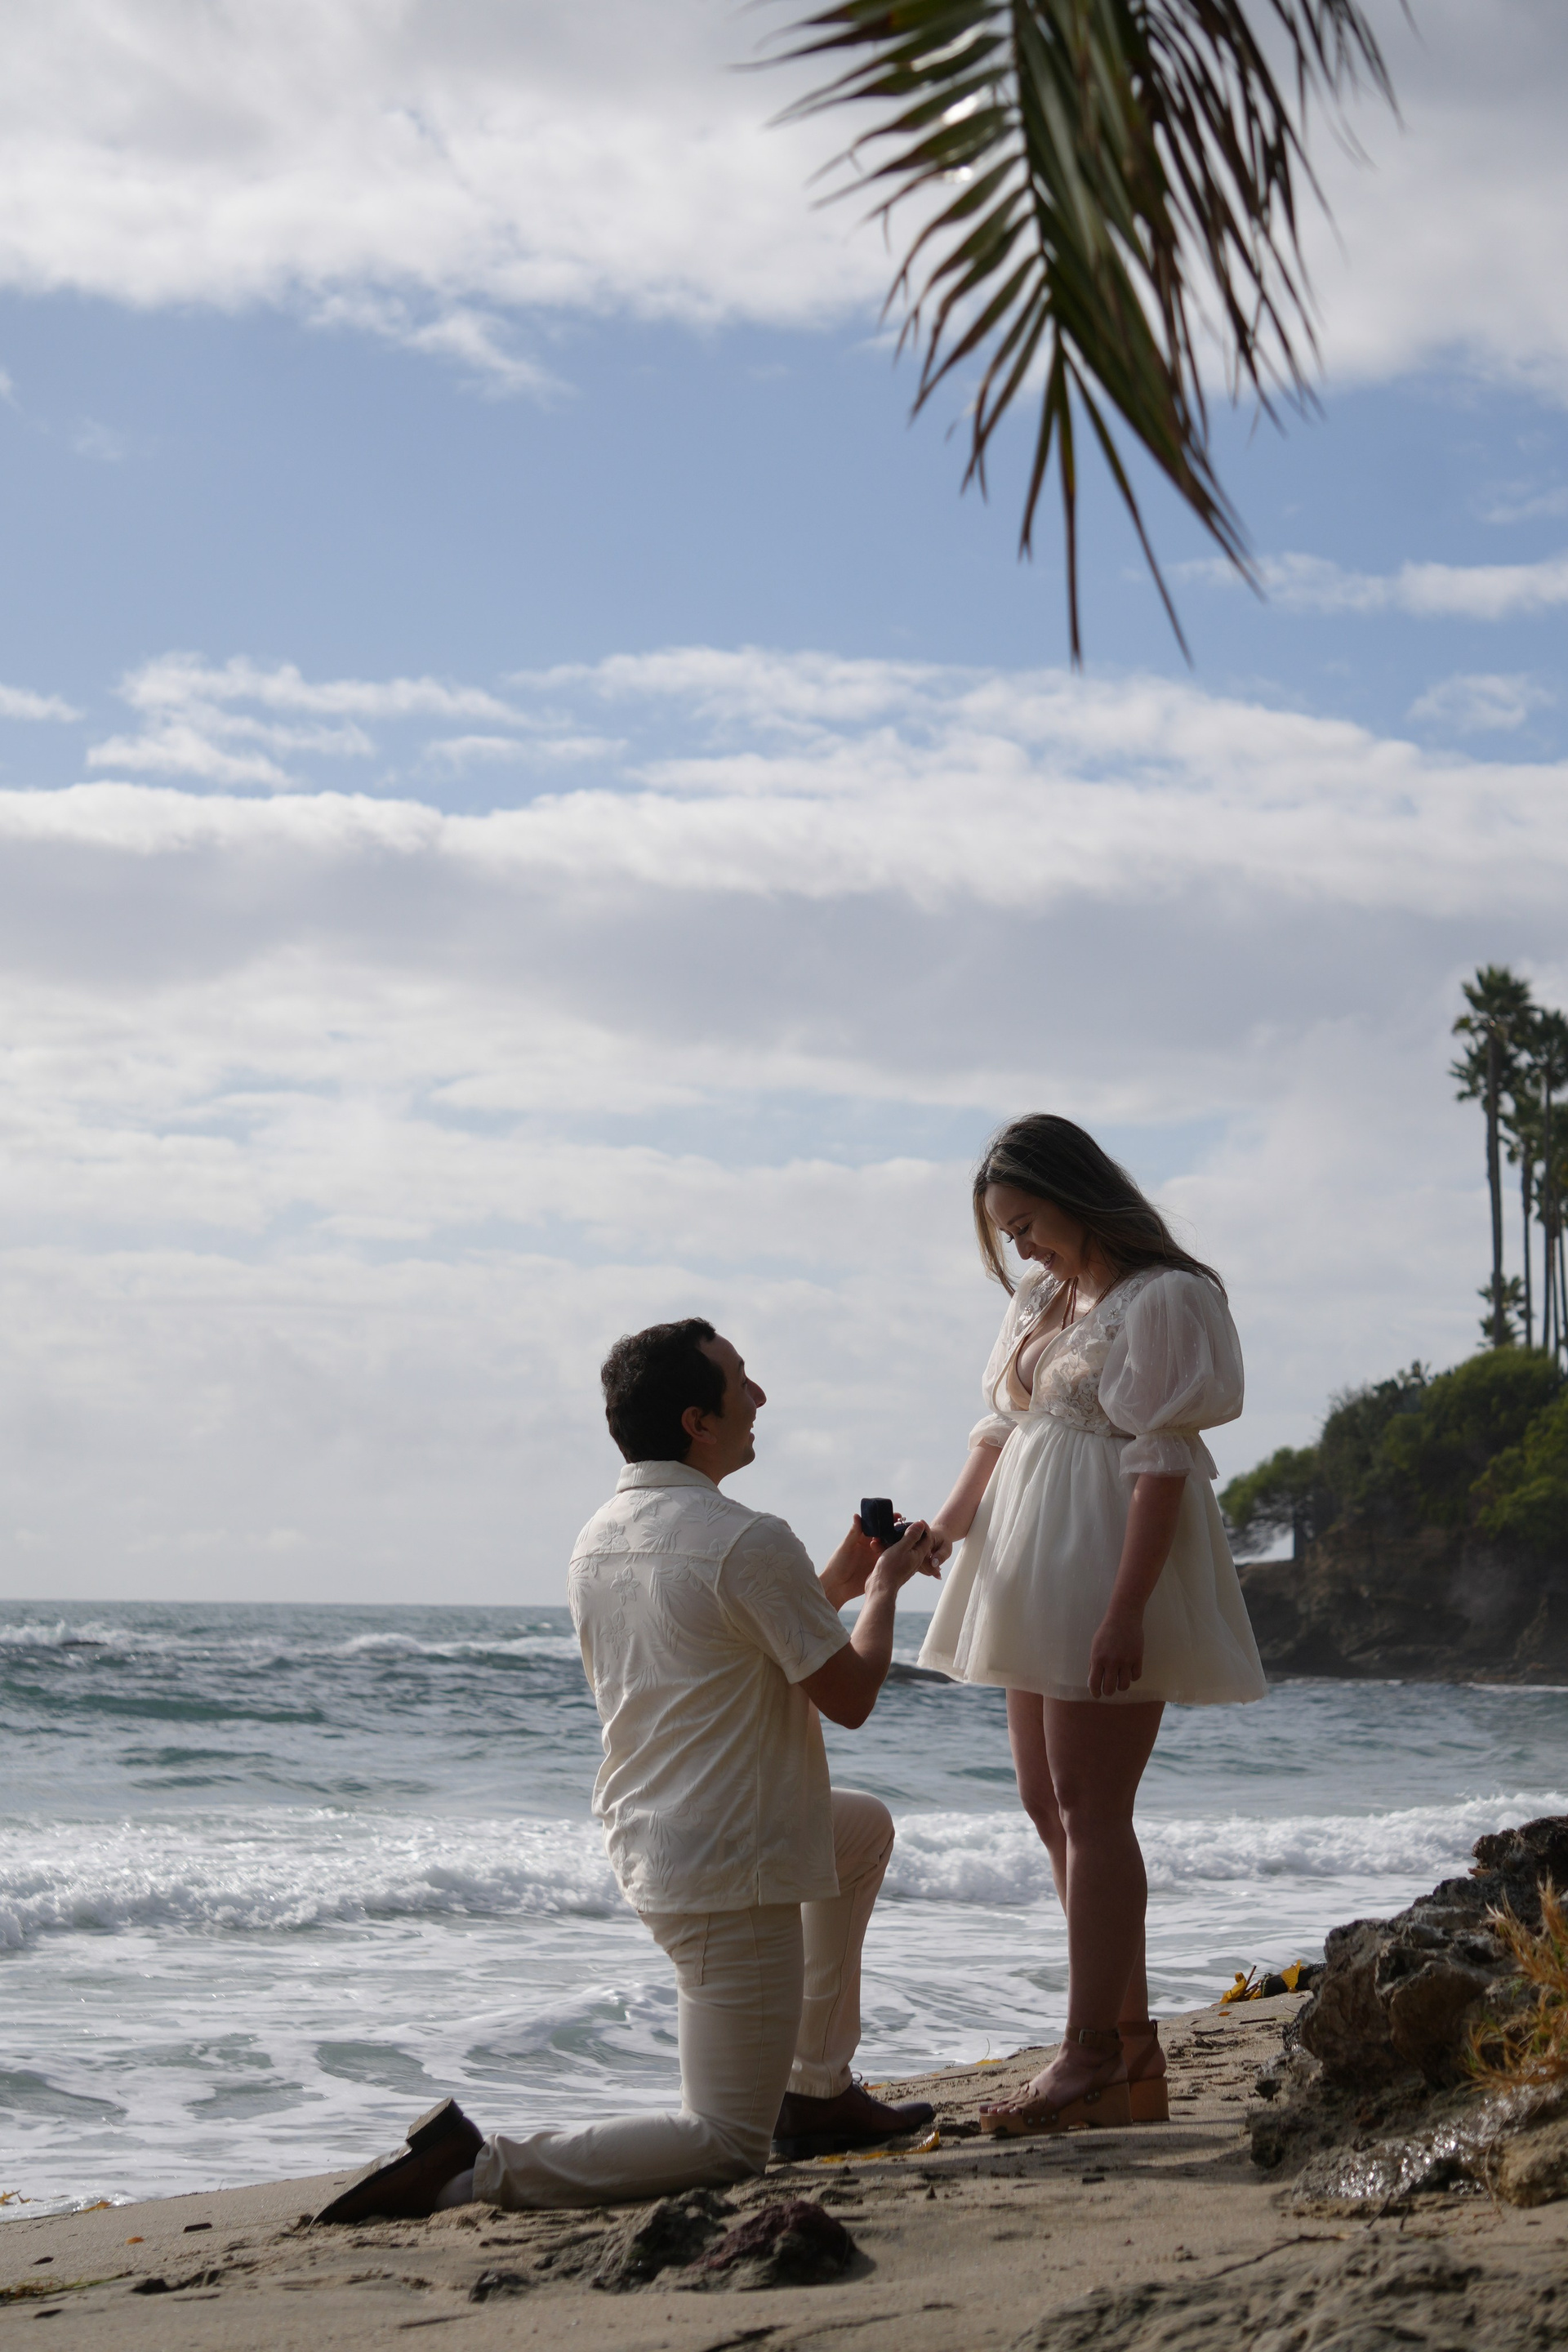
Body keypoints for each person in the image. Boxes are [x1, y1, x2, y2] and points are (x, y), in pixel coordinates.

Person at [317, 1317, 936, 2225]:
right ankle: (472, 2171)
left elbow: (725, 1646)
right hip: (733, 1862)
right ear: (697, 1421)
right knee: (725, 2142)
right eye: (741, 1381)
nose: (759, 1396)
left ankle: (814, 2089)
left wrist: (834, 1585)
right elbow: (848, 1696)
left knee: (861, 1830)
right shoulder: (748, 1538)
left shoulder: (599, 1536)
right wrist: (881, 1593)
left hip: (656, 1835)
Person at [918, 1116, 1266, 2137]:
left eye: (1026, 1223)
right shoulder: (1042, 1300)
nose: (1019, 1246)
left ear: (1075, 1196)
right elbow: (1002, 1429)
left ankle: (1088, 2055)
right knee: (1046, 1802)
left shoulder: (1165, 1299)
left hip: (1105, 1559)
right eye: (1006, 1232)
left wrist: (1126, 1607)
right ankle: (1128, 2048)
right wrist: (947, 1527)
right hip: (1027, 1558)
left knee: (1092, 1806)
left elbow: (1163, 1464)